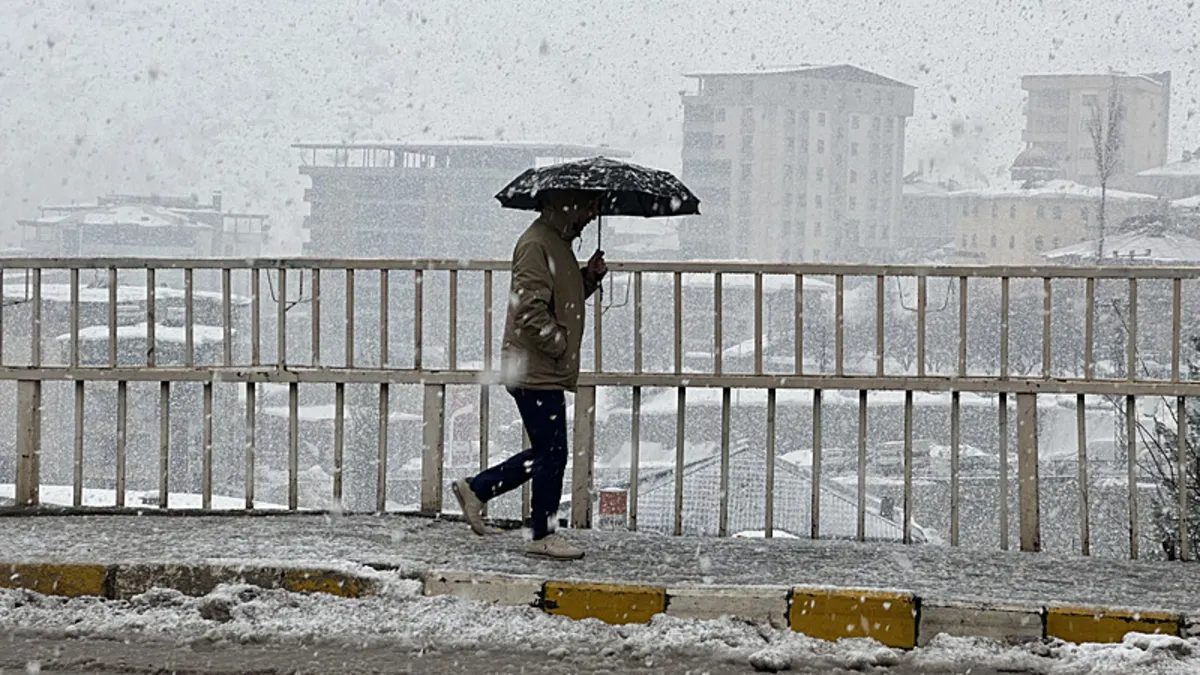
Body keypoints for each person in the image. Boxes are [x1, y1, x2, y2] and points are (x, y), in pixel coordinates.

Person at [452, 190, 606, 560]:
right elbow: (530, 310)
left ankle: (478, 489)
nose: (591, 213)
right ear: (565, 204)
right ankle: (541, 533)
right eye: (587, 205)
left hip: (539, 367)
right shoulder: (538, 244)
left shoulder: (556, 243)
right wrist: (560, 345)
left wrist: (588, 277)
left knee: (547, 451)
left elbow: (560, 301)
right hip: (535, 368)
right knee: (553, 453)